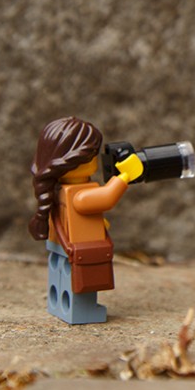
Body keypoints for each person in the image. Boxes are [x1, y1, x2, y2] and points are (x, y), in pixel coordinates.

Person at [29, 117, 143, 324]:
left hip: (60, 245)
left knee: (61, 277)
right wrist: (125, 176)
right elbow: (106, 198)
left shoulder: (57, 189)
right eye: (92, 154)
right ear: (76, 159)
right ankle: (83, 310)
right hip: (80, 249)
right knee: (80, 283)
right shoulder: (79, 194)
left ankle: (58, 303)